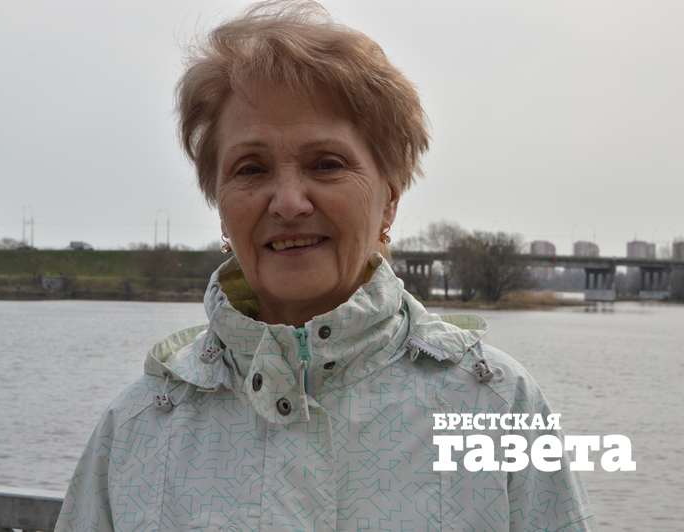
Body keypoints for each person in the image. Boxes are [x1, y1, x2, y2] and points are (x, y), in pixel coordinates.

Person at [55, 1, 594, 530]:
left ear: (389, 198)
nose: (289, 202)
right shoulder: (139, 429)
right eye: (251, 168)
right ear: (220, 203)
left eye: (327, 164)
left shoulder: (496, 406)